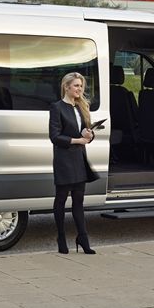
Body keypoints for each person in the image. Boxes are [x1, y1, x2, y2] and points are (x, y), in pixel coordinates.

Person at [49, 72, 99, 254]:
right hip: (64, 160)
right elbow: (55, 137)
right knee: (61, 200)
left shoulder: (81, 107)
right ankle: (61, 238)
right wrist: (78, 140)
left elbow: (86, 134)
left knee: (79, 201)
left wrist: (89, 135)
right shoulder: (57, 107)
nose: (80, 89)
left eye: (81, 86)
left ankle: (83, 239)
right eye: (76, 85)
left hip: (79, 159)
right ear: (66, 87)